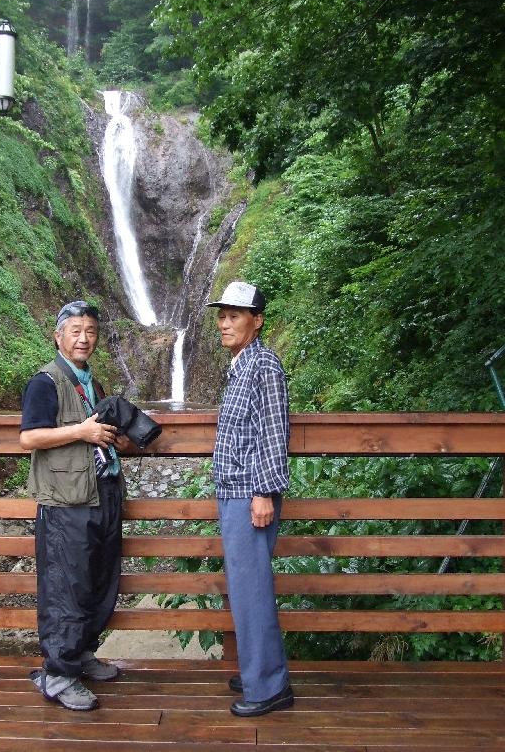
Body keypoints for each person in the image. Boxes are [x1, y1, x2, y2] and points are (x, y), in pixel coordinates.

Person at [20, 300, 128, 711]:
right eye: (76, 330)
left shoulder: (92, 384)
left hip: (103, 494)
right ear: (59, 335)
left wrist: (114, 437)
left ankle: (81, 654)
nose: (84, 338)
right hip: (66, 502)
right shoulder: (45, 382)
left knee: (99, 580)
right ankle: (59, 674)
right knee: (67, 586)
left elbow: (98, 434)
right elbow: (29, 438)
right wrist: (81, 431)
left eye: (91, 331)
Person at [207, 281, 294, 717]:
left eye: (235, 315)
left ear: (257, 321)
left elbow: (274, 434)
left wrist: (264, 493)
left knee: (252, 590)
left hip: (249, 496)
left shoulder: (265, 367)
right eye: (222, 315)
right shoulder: (242, 365)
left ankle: (269, 687)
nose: (225, 322)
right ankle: (260, 670)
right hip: (233, 492)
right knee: (244, 589)